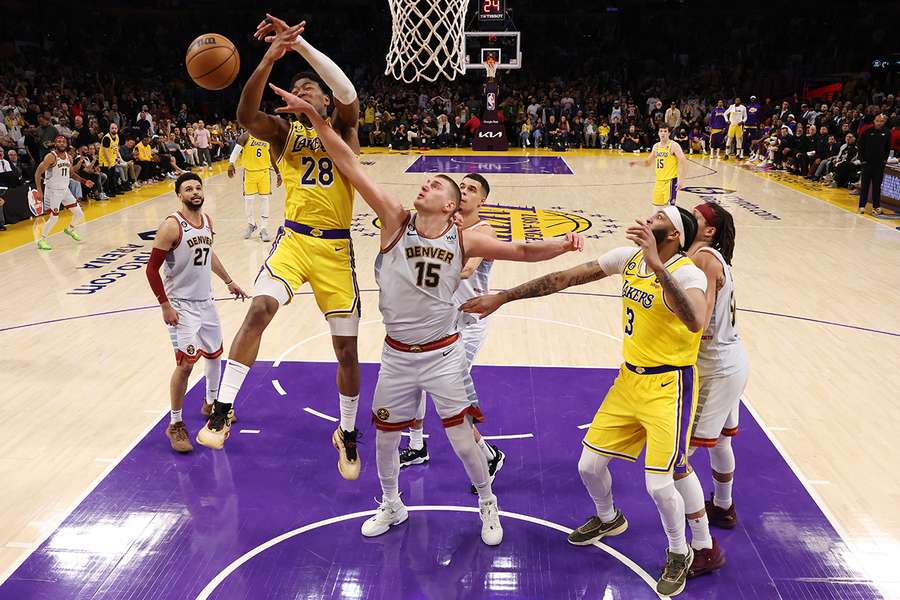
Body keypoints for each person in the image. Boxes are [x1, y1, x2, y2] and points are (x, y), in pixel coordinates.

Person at [271, 85, 585, 548]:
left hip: (443, 354)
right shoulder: (394, 219)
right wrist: (316, 119)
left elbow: (520, 248)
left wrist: (562, 245)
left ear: (451, 206)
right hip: (396, 355)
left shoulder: (465, 239)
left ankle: (486, 502)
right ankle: (392, 504)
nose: (427, 183)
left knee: (462, 442)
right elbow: (348, 162)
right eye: (427, 180)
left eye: (438, 184)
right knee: (382, 440)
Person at [461, 205, 707, 597]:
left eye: (658, 218)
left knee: (660, 485)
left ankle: (680, 551)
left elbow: (696, 321)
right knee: (589, 465)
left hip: (670, 387)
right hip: (630, 381)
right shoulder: (628, 259)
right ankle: (609, 518)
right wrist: (504, 297)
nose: (646, 218)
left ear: (674, 235)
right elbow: (564, 278)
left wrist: (658, 267)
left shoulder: (688, 273)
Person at [199, 15, 365, 483]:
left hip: (335, 251)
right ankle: (223, 410)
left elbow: (348, 94)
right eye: (299, 88)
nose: (306, 92)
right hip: (294, 239)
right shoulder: (282, 133)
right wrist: (271, 58)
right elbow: (245, 117)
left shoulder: (344, 128)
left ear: (324, 98)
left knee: (347, 351)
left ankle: (347, 432)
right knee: (259, 311)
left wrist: (303, 46)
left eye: (313, 89)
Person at [397, 173, 506, 492]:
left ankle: (489, 455)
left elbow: (467, 269)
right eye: (462, 187)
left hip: (468, 327)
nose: (465, 192)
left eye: (473, 189)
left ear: (482, 200)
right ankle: (417, 446)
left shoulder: (484, 231)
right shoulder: (442, 226)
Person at [145, 173, 249, 453]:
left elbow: (209, 254)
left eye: (198, 187)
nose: (194, 192)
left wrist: (229, 281)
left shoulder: (207, 222)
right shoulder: (171, 226)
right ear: (179, 195)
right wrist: (165, 305)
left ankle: (212, 404)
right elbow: (151, 269)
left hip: (206, 302)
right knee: (186, 364)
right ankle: (175, 424)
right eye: (188, 189)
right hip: (181, 306)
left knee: (215, 355)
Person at [671, 201, 747, 578]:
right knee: (720, 442)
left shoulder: (702, 258)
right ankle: (724, 506)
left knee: (677, 457)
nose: (689, 221)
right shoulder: (711, 255)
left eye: (696, 219)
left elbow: (698, 322)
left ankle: (703, 547)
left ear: (708, 230)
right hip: (731, 359)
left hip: (715, 366)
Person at [32, 136, 92, 250]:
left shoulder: (69, 157)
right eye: (59, 142)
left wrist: (84, 181)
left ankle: (69, 229)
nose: (61, 143)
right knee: (54, 217)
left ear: (67, 144)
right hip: (53, 191)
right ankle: (41, 240)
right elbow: (37, 173)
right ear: (55, 144)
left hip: (65, 190)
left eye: (63, 142)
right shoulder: (51, 157)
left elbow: (72, 174)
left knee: (79, 214)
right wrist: (39, 191)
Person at [228, 131, 282, 242]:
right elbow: (236, 151)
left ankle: (264, 228)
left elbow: (272, 157)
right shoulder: (246, 136)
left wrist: (278, 173)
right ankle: (251, 224)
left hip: (264, 173)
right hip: (249, 173)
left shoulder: (267, 137)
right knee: (249, 201)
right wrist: (231, 163)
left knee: (264, 200)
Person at [629, 125, 685, 207]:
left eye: (665, 131)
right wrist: (636, 162)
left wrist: (681, 180)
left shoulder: (673, 145)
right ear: (658, 133)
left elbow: (684, 162)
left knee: (669, 211)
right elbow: (648, 162)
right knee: (656, 209)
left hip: (670, 182)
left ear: (669, 133)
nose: (663, 133)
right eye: (661, 131)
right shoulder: (656, 146)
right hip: (658, 182)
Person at [857, 113, 891, 215]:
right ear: (874, 121)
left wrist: (884, 160)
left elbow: (887, 148)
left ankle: (876, 206)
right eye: (877, 121)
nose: (879, 123)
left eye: (881, 121)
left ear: (884, 122)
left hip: (879, 165)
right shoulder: (867, 132)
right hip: (867, 163)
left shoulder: (887, 133)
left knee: (877, 186)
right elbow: (860, 146)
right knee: (865, 185)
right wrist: (862, 160)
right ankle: (862, 206)